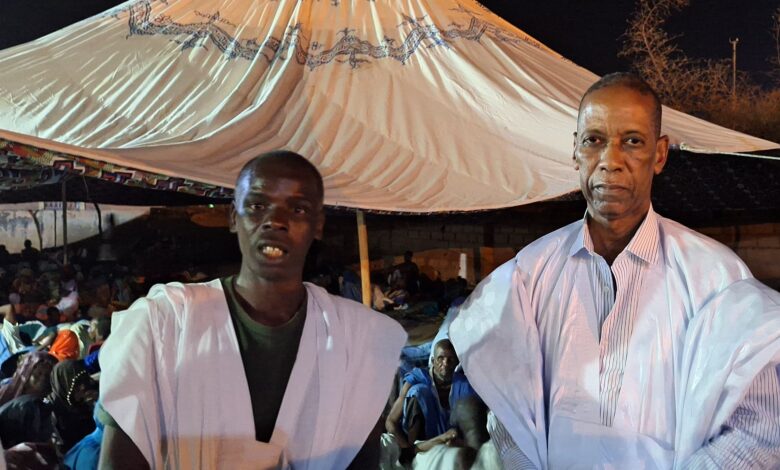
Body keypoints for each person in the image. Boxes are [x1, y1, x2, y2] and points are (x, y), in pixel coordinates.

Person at [449, 72, 780, 469]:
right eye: (594, 140)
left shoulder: (717, 279)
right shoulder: (529, 275)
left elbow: (760, 429)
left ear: (660, 154)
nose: (610, 161)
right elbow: (509, 417)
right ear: (575, 150)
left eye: (632, 141)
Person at [98, 151, 407, 469]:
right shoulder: (162, 323)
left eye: (298, 209)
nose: (276, 220)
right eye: (258, 205)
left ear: (317, 225)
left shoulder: (356, 341)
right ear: (234, 217)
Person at [385, 339, 482, 467]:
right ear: (433, 361)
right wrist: (406, 447)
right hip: (417, 446)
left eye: (450, 359)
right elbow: (390, 421)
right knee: (419, 391)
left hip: (452, 440)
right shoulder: (417, 378)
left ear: (456, 363)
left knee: (469, 404)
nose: (445, 364)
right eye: (440, 359)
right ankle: (413, 453)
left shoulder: (464, 385)